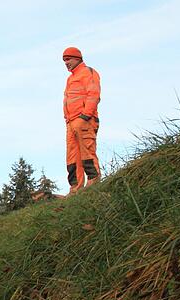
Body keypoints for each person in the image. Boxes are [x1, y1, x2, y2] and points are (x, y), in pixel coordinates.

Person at [62, 47, 101, 195]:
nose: (66, 63)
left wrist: (85, 116)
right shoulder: (70, 78)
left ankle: (94, 183)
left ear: (77, 58)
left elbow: (94, 94)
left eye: (68, 59)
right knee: (72, 157)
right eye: (64, 60)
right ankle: (75, 189)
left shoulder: (88, 72)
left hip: (84, 120)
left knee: (87, 152)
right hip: (71, 122)